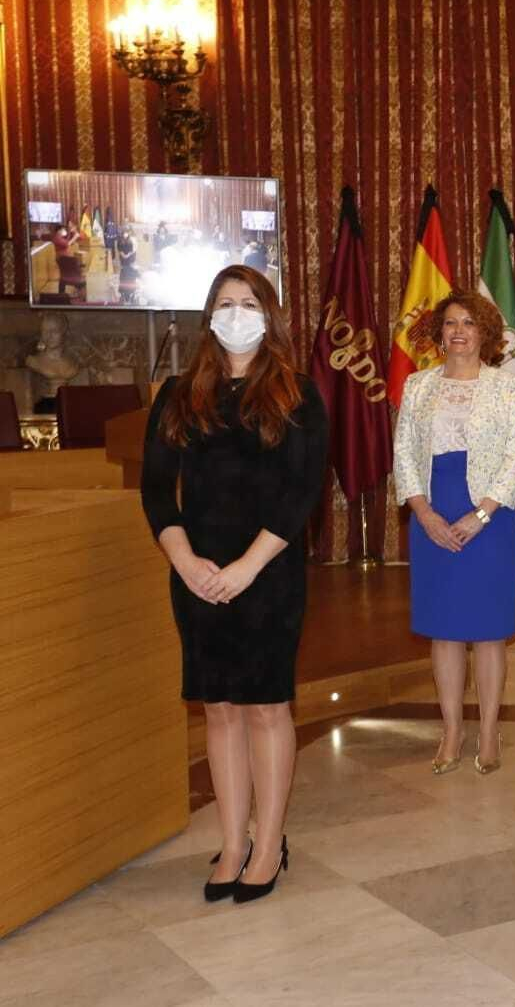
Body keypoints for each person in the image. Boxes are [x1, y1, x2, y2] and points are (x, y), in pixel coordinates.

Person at [140, 264, 329, 905]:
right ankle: (231, 840)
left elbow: (302, 493)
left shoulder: (298, 393)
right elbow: (155, 491)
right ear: (208, 317)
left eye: (249, 302)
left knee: (266, 707)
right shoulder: (176, 394)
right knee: (218, 709)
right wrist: (186, 562)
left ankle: (270, 842)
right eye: (225, 303)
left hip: (268, 572)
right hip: (196, 574)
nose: (237, 313)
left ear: (269, 315)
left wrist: (248, 567)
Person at [393, 291, 515, 776]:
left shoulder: (507, 388)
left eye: (469, 323)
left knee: (489, 633)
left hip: (491, 519)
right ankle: (451, 730)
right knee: (445, 632)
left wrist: (482, 515)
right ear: (439, 333)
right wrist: (423, 514)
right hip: (432, 513)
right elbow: (404, 455)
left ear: (486, 333)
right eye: (450, 323)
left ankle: (489, 731)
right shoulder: (417, 386)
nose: (458, 331)